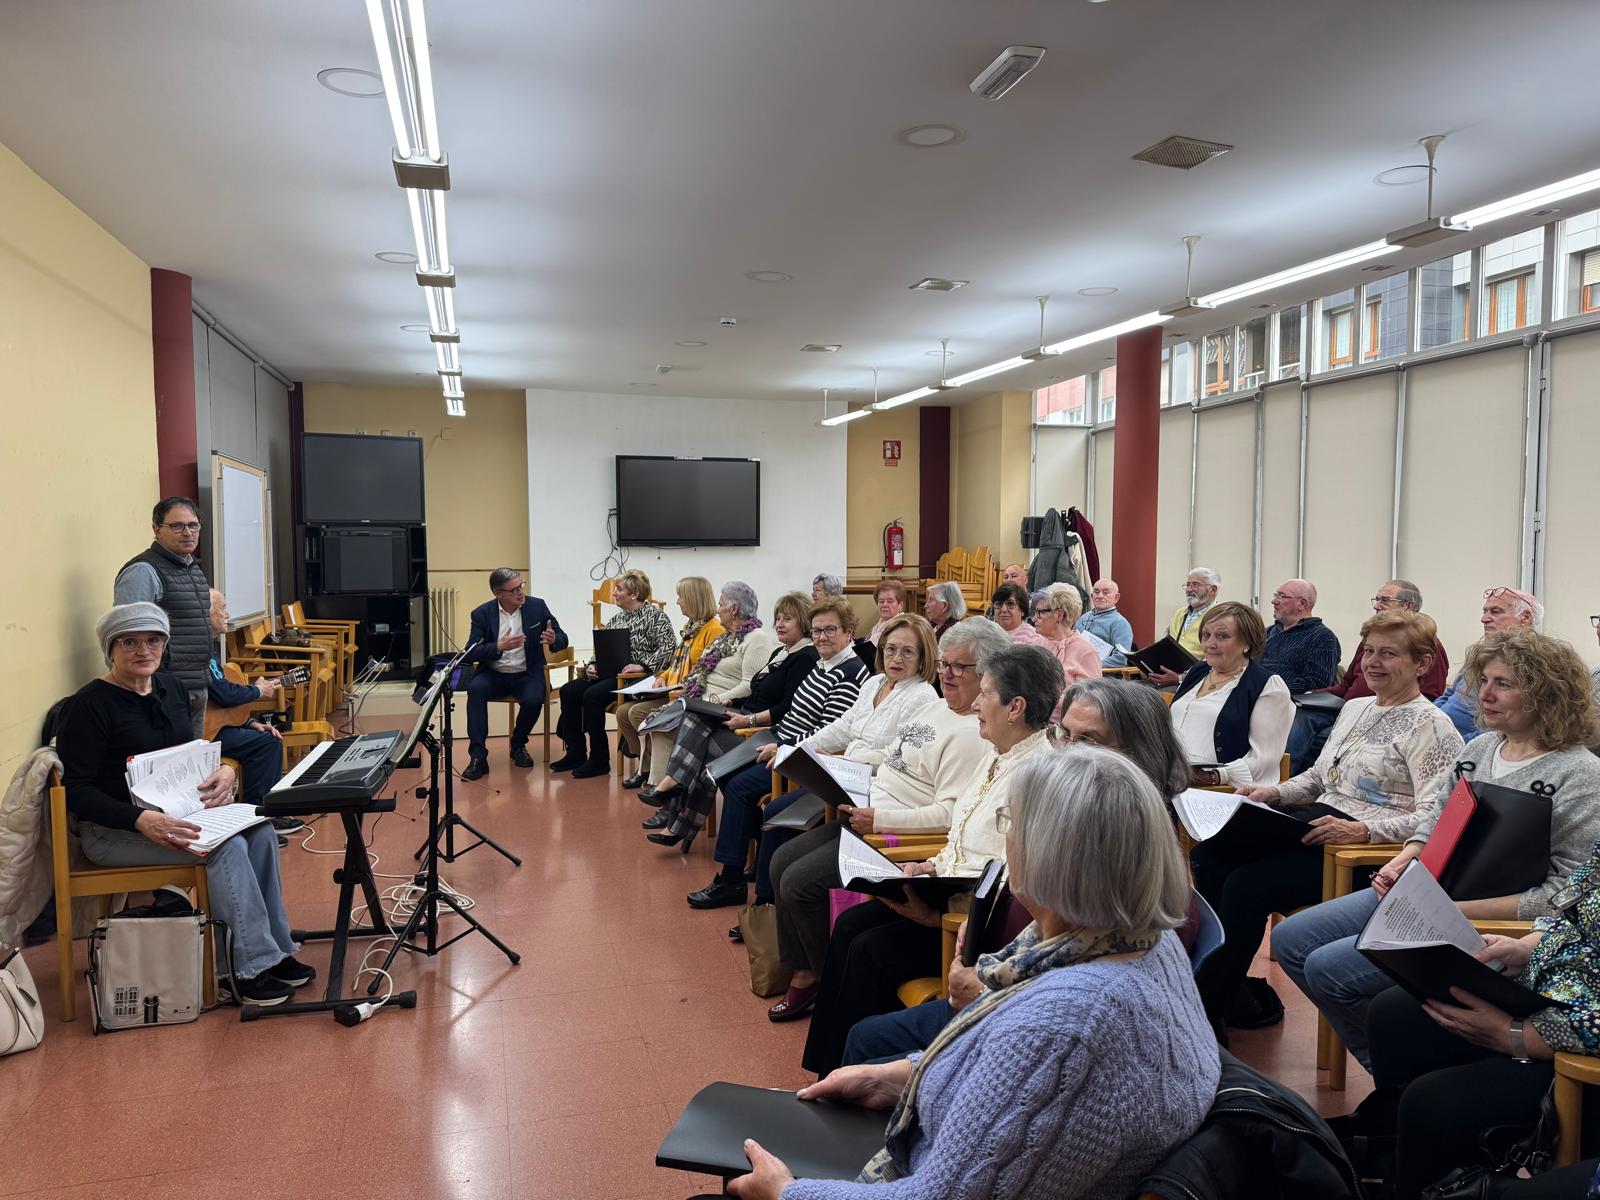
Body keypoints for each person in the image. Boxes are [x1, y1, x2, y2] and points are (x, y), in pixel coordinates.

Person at [725, 748, 1219, 1200]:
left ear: (1052, 855)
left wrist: (787, 1195)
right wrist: (903, 1075)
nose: (1006, 839)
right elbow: (1020, 1088)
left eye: (1010, 823)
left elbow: (941, 1196)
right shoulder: (1143, 942)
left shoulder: (1064, 1026)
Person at [1272, 628, 1600, 1073]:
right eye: (1483, 680)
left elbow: (1564, 894)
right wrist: (1403, 860)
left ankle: (1402, 1077)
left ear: (1547, 694)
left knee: (1329, 968)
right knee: (1291, 940)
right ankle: (1393, 1070)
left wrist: (1453, 907)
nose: (1484, 693)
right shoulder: (1482, 748)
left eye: (1502, 683)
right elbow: (1436, 819)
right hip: (1429, 893)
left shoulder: (1579, 774)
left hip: (1490, 917)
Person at [840, 676, 1191, 1066]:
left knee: (868, 1037)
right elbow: (1046, 940)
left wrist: (985, 985)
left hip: (1021, 1010)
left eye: (1088, 740)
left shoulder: (1122, 848)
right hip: (998, 963)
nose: (1064, 751)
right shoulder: (1071, 816)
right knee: (864, 1020)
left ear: (1137, 753)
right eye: (1064, 734)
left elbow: (1079, 993)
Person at [1190, 609, 1464, 1033]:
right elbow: (1320, 777)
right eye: (1368, 651)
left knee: (1247, 885)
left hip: (1362, 854)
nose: (1373, 661)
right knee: (1210, 855)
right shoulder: (1356, 708)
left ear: (1422, 664)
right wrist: (1272, 793)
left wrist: (1364, 830)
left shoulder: (1433, 726)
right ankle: (1217, 993)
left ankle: (1208, 1011)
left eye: (1389, 654)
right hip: (1316, 826)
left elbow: (1435, 816)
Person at [800, 644, 1064, 1076]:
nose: (975, 702)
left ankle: (846, 1080)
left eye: (987, 693)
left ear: (1015, 707)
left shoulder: (1036, 776)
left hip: (972, 924)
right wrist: (930, 867)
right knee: (849, 926)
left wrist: (933, 913)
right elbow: (962, 835)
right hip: (945, 889)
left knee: (868, 950)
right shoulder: (997, 755)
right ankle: (825, 1075)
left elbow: (1015, 881)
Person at [54, 603, 310, 1006]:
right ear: (111, 649)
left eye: (153, 640)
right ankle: (242, 970)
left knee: (259, 831)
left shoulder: (169, 687)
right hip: (113, 833)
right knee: (226, 849)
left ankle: (274, 950)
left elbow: (193, 751)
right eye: (130, 642)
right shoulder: (88, 706)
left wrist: (226, 770)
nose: (144, 650)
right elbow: (77, 789)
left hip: (180, 815)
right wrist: (140, 819)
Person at [762, 618, 1000, 1020]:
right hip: (869, 810)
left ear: (988, 675)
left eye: (960, 667)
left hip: (893, 835)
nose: (947, 674)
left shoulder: (974, 732)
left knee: (800, 883)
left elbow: (949, 813)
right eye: (945, 664)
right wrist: (843, 778)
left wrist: (880, 817)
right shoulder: (936, 706)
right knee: (781, 860)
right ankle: (805, 970)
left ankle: (825, 983)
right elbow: (889, 757)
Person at [1363, 836, 1600, 1200]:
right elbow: (1569, 916)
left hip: (1578, 1049)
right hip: (1549, 995)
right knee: (1394, 1016)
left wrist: (1516, 1036)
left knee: (1432, 1104)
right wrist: (1523, 949)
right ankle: (1394, 1167)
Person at [674, 597, 869, 895]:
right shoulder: (822, 665)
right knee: (722, 772)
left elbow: (830, 732)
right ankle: (754, 850)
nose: (821, 637)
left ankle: (731, 879)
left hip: (801, 759)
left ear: (848, 632)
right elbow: (793, 713)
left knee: (739, 787)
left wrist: (784, 749)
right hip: (778, 739)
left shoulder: (850, 672)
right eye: (817, 631)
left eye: (830, 630)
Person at [643, 592, 815, 829]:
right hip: (743, 713)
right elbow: (755, 690)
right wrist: (729, 705)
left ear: (804, 622)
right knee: (694, 721)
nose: (779, 624)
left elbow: (785, 708)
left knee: (702, 746)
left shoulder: (804, 656)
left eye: (787, 619)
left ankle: (673, 803)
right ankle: (674, 812)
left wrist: (746, 719)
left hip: (759, 730)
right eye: (778, 618)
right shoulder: (780, 653)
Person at [1285, 579, 1451, 773]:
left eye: (1385, 600)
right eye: (1377, 599)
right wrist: (1310, 694)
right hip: (1346, 711)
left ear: (1408, 606)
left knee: (1324, 738)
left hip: (1385, 719)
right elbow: (1346, 685)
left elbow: (1431, 696)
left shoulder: (1427, 647)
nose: (1377, 605)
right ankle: (1280, 779)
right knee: (1296, 714)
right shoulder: (1370, 639)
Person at [639, 581, 775, 794]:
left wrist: (712, 701)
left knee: (692, 716)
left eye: (721, 604)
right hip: (703, 702)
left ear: (734, 609)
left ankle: (669, 789)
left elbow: (749, 685)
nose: (717, 608)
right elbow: (698, 671)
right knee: (664, 722)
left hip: (725, 707)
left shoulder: (756, 638)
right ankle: (665, 791)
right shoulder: (724, 637)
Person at [550, 568, 675, 778]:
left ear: (634, 594)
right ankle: (576, 752)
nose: (614, 593)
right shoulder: (617, 619)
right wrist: (592, 664)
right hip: (609, 673)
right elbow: (602, 649)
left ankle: (599, 759)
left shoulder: (656, 616)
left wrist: (643, 666)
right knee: (570, 690)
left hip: (633, 679)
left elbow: (669, 648)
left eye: (619, 589)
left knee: (592, 696)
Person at [113, 497, 214, 738]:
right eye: (177, 526)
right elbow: (125, 633)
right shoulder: (144, 571)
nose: (187, 532)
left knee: (191, 766)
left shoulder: (192, 569)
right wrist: (140, 691)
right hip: (163, 691)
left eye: (193, 525)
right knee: (166, 768)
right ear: (157, 530)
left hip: (196, 686)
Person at [1168, 601, 1293, 789]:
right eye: (1206, 635)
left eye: (1222, 636)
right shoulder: (1197, 671)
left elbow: (1264, 759)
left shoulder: (1269, 687)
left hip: (1217, 791)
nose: (1210, 643)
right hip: (1169, 777)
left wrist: (1214, 776)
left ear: (1247, 643)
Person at [461, 568, 568, 781]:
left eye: (522, 586)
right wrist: (497, 646)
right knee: (475, 689)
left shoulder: (537, 606)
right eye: (514, 590)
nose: (521, 593)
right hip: (494, 673)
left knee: (533, 699)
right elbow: (470, 652)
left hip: (527, 673)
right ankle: (478, 757)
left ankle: (518, 743)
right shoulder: (482, 613)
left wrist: (553, 638)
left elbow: (563, 638)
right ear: (497, 593)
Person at [615, 576, 722, 788]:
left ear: (693, 599)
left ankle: (650, 768)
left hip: (685, 696)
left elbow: (707, 673)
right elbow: (674, 663)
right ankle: (648, 761)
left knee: (636, 712)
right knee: (622, 713)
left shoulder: (713, 631)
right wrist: (663, 676)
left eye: (681, 597)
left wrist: (676, 685)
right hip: (670, 690)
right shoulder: (691, 627)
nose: (678, 602)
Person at [204, 590, 294, 839]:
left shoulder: (208, 647)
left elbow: (219, 696)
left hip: (218, 727)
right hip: (205, 735)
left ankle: (260, 815)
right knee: (265, 745)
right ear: (204, 613)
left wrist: (249, 721)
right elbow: (222, 693)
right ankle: (255, 820)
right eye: (222, 608)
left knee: (267, 736)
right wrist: (257, 690)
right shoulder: (196, 650)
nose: (228, 614)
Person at [1434, 586, 1542, 740]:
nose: (1484, 618)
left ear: (1525, 617)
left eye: (1496, 611)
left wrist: (1454, 744)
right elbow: (1450, 695)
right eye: (1485, 611)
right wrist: (1428, 722)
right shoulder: (1480, 652)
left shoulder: (1534, 662)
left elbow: (1506, 729)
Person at [1145, 567, 1222, 688]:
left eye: (1195, 585)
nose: (1189, 589)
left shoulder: (1220, 616)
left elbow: (1216, 661)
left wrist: (1179, 678)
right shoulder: (1180, 613)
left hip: (1197, 680)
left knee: (1149, 697)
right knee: (1129, 691)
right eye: (1187, 585)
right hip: (1169, 673)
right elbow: (1168, 647)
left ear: (1212, 590)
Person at [1261, 579, 1341, 693]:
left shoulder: (1322, 637)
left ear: (1301, 604)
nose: (1274, 601)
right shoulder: (1266, 632)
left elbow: (1316, 682)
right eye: (1276, 595)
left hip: (1290, 704)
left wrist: (1268, 689)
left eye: (1282, 596)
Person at [1028, 583, 1102, 693]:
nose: (1034, 619)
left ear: (1059, 615)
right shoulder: (1036, 645)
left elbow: (1090, 700)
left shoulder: (1086, 651)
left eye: (1040, 612)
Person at [1075, 578, 1134, 666]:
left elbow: (1120, 659)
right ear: (1092, 596)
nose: (1100, 596)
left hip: (1103, 676)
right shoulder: (1083, 617)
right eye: (1096, 592)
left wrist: (1092, 666)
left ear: (1116, 597)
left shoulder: (1120, 623)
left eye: (1106, 593)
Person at [988, 582, 1043, 647]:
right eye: (998, 604)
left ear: (1023, 610)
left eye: (1011, 603)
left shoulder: (1034, 639)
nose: (1003, 609)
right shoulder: (987, 634)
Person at [867, 580, 908, 645]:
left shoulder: (901, 626)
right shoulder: (878, 625)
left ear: (900, 605)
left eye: (890, 601)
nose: (884, 605)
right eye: (881, 601)